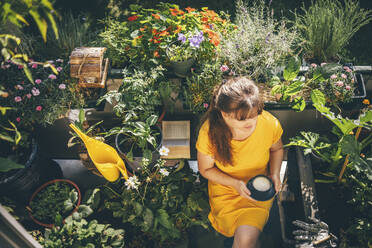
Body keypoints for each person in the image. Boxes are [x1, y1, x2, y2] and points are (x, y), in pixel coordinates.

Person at [196, 76, 284, 248]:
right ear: (224, 114)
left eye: (255, 115)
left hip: (258, 192)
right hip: (226, 190)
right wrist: (235, 184)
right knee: (247, 240)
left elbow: (277, 149)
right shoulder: (209, 132)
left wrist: (274, 173)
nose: (251, 123)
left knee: (244, 241)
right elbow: (205, 170)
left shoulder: (269, 123)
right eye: (243, 119)